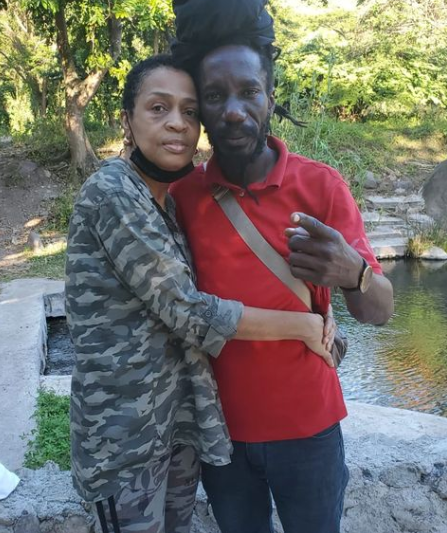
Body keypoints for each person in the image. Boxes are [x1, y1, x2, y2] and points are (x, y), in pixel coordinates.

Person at [65, 54, 336, 533]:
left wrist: (322, 312)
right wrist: (304, 326)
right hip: (124, 439)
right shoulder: (113, 192)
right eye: (159, 108)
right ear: (127, 120)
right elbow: (187, 310)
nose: (177, 123)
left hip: (178, 427)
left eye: (190, 111)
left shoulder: (167, 201)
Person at [169, 4, 394, 533]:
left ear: (270, 97)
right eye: (215, 96)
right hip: (220, 433)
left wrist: (354, 273)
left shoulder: (321, 186)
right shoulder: (182, 197)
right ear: (200, 110)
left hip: (309, 428)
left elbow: (379, 311)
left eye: (248, 91)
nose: (233, 111)